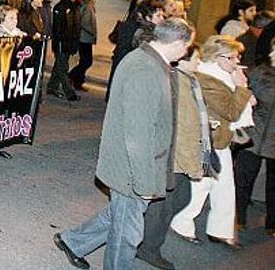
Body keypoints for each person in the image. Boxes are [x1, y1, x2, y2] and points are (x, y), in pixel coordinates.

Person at [54, 19, 195, 270]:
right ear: (175, 43)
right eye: (187, 46)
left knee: (119, 215)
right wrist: (144, 182)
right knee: (128, 234)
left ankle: (73, 241)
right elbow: (138, 135)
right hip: (133, 168)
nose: (187, 52)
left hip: (136, 165)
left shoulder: (150, 62)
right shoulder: (145, 69)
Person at [170, 35, 255, 249]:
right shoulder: (208, 80)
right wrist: (242, 88)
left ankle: (220, 230)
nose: (237, 62)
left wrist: (240, 89)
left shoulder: (222, 77)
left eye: (238, 56)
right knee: (202, 185)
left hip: (219, 140)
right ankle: (182, 222)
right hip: (208, 140)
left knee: (224, 186)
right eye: (232, 57)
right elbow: (231, 112)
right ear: (218, 58)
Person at [136, 45, 215, 270]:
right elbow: (183, 127)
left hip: (180, 154)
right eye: (196, 59)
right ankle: (148, 247)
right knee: (163, 205)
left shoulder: (191, 81)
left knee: (178, 199)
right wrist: (192, 165)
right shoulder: (178, 83)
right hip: (176, 156)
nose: (199, 63)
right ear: (183, 59)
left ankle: (142, 238)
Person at [237, 38, 275, 238]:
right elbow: (242, 92)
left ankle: (272, 223)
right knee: (243, 178)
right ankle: (238, 218)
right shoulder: (259, 73)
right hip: (254, 133)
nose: (272, 54)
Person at [48, 0, 81, 101]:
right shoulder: (60, 7)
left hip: (70, 43)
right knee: (63, 68)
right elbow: (58, 29)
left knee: (59, 66)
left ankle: (52, 86)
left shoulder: (75, 7)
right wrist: (62, 41)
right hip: (62, 43)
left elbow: (76, 27)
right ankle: (70, 92)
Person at [69, 0, 98, 92]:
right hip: (85, 38)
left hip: (83, 37)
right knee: (87, 61)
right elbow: (85, 22)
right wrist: (92, 32)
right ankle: (72, 76)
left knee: (84, 60)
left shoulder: (85, 4)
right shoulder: (89, 6)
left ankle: (78, 80)